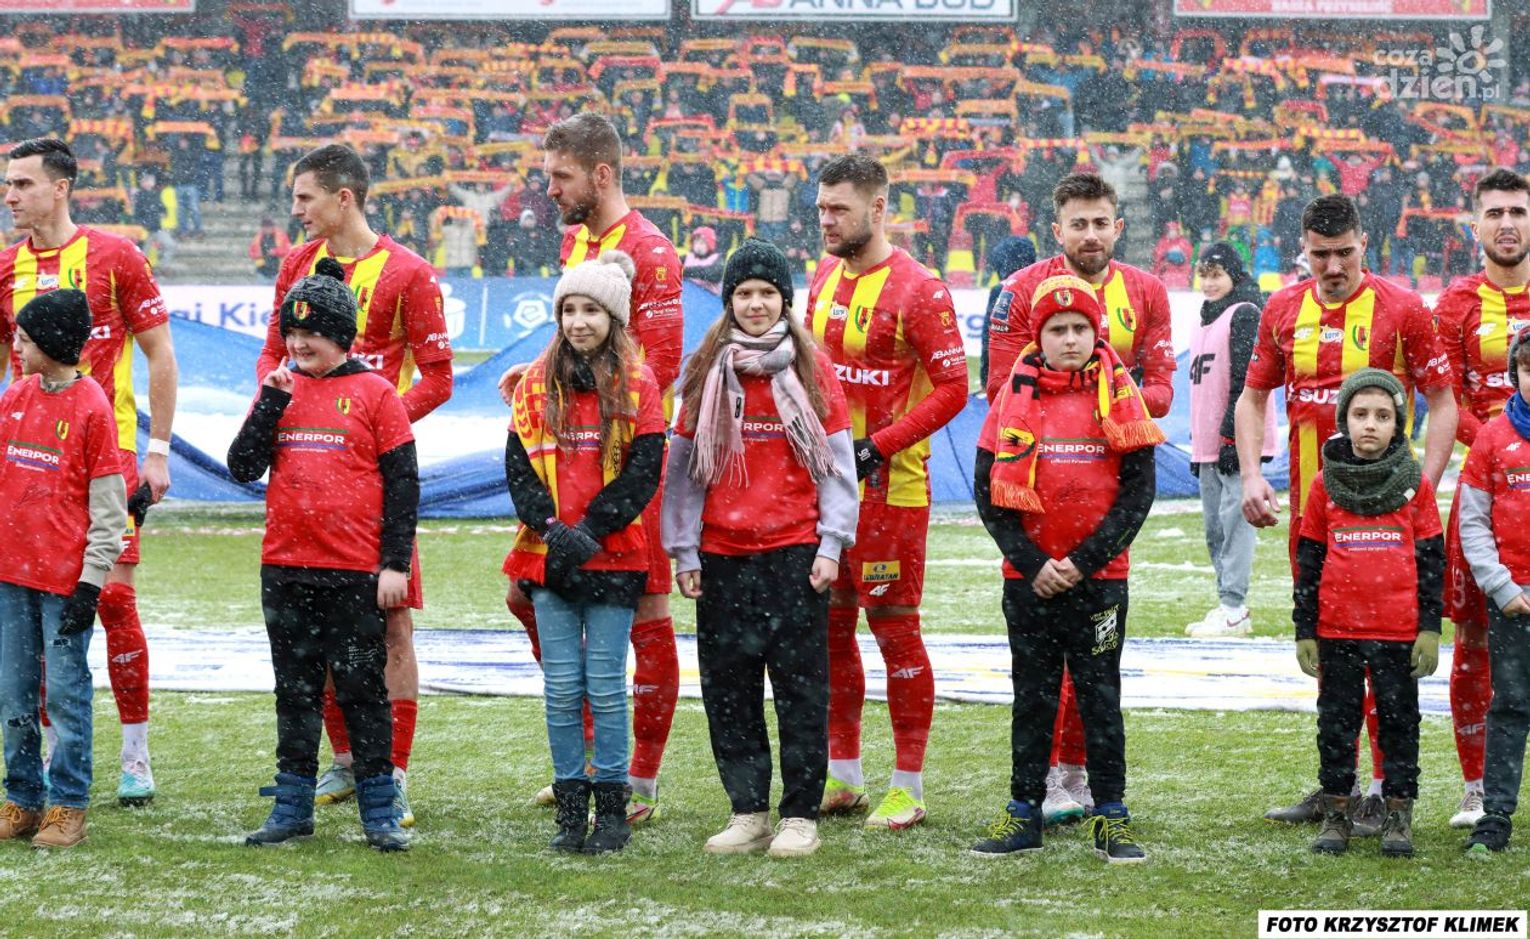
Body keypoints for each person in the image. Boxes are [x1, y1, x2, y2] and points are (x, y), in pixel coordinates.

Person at [1235, 193, 1456, 829]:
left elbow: (1443, 401)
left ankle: (1384, 790)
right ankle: (1341, 785)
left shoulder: (1403, 308)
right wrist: (1251, 473)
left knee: (1390, 656)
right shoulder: (1282, 309)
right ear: (1303, 251)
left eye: (1343, 253)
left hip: (1390, 523)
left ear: (1364, 244)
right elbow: (1252, 398)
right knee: (1330, 648)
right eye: (1320, 255)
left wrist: (1421, 487)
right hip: (1318, 519)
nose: (1332, 266)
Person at [256, 143, 454, 828]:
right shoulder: (294, 266)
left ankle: (391, 772)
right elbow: (270, 351)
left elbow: (439, 376)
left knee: (390, 624)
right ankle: (344, 760)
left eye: (305, 197)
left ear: (344, 198)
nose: (296, 210)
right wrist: (275, 411)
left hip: (372, 482)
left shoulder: (410, 273)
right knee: (314, 628)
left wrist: (375, 422)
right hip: (307, 480)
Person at [497, 113, 683, 824]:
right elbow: (578, 339)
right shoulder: (577, 239)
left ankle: (639, 779)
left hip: (624, 460)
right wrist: (542, 371)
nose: (549, 189)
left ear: (601, 175)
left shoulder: (651, 251)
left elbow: (657, 367)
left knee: (647, 612)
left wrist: (577, 398)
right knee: (526, 594)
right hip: (562, 455)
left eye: (561, 176)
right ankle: (586, 757)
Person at [983, 171, 1175, 824]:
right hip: (1036, 503)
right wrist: (1077, 398)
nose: (1090, 234)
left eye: (1101, 223)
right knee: (1040, 672)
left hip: (1102, 495)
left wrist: (1103, 398)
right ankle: (1045, 779)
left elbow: (1161, 393)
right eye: (1078, 223)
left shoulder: (1147, 291)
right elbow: (1002, 391)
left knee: (1094, 672)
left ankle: (1083, 775)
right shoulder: (1018, 291)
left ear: (1118, 227)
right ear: (1056, 229)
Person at [663, 240, 858, 858]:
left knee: (802, 693)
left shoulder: (812, 370)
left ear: (784, 300)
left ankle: (800, 816)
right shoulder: (705, 370)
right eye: (743, 293)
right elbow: (684, 470)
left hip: (795, 555)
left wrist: (831, 543)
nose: (754, 304)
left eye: (766, 293)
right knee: (730, 693)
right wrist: (685, 550)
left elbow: (837, 465)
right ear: (728, 301)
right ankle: (747, 811)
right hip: (721, 558)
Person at [0, 137, 179, 807]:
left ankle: (135, 752)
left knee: (112, 600)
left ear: (61, 187)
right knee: (33, 608)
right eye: (7, 185)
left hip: (109, 459)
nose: (10, 196)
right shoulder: (6, 268)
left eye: (22, 183)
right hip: (32, 464)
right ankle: (52, 751)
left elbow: (160, 353)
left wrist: (158, 450)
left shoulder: (116, 256)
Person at [229, 259, 415, 853]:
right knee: (295, 692)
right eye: (291, 332)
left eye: (310, 332)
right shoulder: (280, 389)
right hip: (286, 568)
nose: (298, 343)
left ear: (340, 335)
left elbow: (403, 484)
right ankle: (292, 807)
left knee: (362, 691)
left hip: (354, 573)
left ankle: (379, 811)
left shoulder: (376, 393)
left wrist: (395, 564)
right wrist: (269, 404)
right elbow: (242, 466)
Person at [807, 153, 968, 830]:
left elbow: (955, 389)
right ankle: (843, 776)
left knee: (894, 629)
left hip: (889, 492)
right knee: (830, 629)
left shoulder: (919, 289)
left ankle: (909, 785)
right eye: (821, 208)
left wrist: (878, 446)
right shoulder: (822, 275)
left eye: (838, 209)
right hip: (824, 489)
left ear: (878, 209)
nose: (826, 220)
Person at [504, 251, 664, 854]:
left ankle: (613, 814)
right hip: (550, 556)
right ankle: (571, 815)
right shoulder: (533, 385)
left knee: (605, 688)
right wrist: (553, 529)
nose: (578, 321)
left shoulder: (639, 383)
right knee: (562, 689)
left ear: (613, 318)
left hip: (614, 554)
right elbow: (518, 470)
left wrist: (592, 528)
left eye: (591, 310)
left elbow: (644, 470)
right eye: (568, 309)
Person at [1295, 368, 1442, 858]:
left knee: (1400, 726)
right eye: (1360, 414)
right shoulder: (1324, 485)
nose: (1371, 425)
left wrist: (1429, 628)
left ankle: (1398, 816)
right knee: (1336, 725)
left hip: (1398, 631)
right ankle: (1337, 814)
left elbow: (1431, 561)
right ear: (1345, 421)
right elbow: (1310, 561)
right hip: (1337, 630)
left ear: (1398, 423)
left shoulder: (1416, 485)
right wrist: (1305, 630)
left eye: (1383, 415)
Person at [0, 289, 127, 849]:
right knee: (13, 695)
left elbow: (109, 508)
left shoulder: (92, 406)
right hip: (10, 577)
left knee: (65, 698)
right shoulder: (15, 396)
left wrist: (90, 584)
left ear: (51, 345)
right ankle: (23, 798)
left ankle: (68, 804)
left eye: (25, 339)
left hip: (64, 585)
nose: (17, 347)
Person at [1432, 167, 1530, 831]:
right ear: (1475, 225)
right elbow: (1444, 400)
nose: (1507, 223)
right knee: (1473, 637)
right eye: (1494, 212)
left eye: (1517, 211)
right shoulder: (1456, 302)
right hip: (1484, 494)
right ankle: (1476, 787)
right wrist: (1500, 442)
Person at [1458, 325, 1530, 856]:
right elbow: (1473, 521)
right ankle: (1496, 815)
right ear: (1515, 373)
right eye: (1529, 369)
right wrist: (1500, 586)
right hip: (1513, 600)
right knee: (1510, 706)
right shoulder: (1492, 438)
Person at [1185, 243, 1272, 639]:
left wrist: (1230, 437)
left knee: (1235, 525)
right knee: (1214, 529)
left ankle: (1234, 605)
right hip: (1207, 445)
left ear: (1233, 276)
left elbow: (1243, 383)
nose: (1209, 282)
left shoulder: (1244, 314)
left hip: (1234, 442)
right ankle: (1228, 604)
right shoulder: (1202, 320)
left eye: (1216, 274)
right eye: (1204, 274)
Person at [248, 216, 291, 281]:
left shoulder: (281, 236)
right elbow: (251, 252)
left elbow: (288, 250)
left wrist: (275, 252)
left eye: (268, 227)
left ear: (273, 227)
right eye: (264, 227)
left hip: (278, 270)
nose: (266, 229)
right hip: (262, 271)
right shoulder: (258, 238)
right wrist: (259, 254)